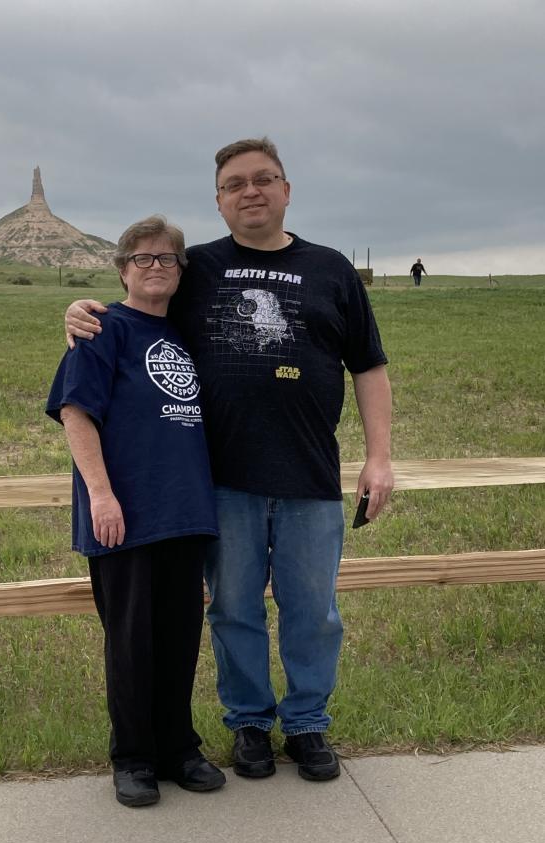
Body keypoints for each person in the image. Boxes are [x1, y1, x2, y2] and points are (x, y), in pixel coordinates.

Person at [65, 138, 393, 784]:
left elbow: (370, 367)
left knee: (314, 610)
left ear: (287, 190)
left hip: (310, 476)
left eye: (264, 179)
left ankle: (306, 724)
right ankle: (248, 723)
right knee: (233, 607)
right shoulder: (198, 270)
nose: (251, 191)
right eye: (235, 183)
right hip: (221, 480)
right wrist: (77, 314)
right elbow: (138, 308)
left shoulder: (331, 271)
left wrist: (379, 457)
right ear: (218, 201)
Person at [47, 215, 226, 808]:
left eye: (167, 259)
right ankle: (133, 758)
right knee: (130, 641)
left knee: (179, 637)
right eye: (143, 258)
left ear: (180, 272)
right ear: (122, 269)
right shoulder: (102, 330)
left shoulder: (182, 335)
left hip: (185, 511)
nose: (156, 267)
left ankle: (179, 749)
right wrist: (101, 494)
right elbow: (76, 412)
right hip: (123, 514)